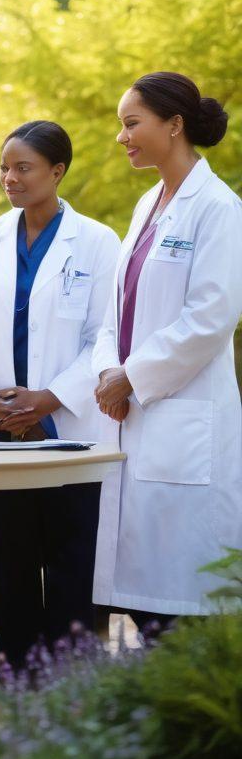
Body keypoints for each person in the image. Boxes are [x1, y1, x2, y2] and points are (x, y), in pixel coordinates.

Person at [0, 121, 120, 670]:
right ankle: (18, 688)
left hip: (67, 431)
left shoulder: (96, 242)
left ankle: (73, 694)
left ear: (57, 171)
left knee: (73, 569)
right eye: (5, 167)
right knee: (8, 571)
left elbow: (104, 337)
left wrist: (49, 397)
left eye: (23, 167)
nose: (10, 178)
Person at [92, 72, 242, 631]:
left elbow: (212, 316)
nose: (121, 137)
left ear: (174, 125)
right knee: (139, 589)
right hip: (133, 415)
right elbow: (116, 309)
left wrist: (130, 378)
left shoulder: (219, 208)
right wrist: (110, 370)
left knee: (181, 604)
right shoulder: (146, 206)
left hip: (183, 422)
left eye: (131, 124)